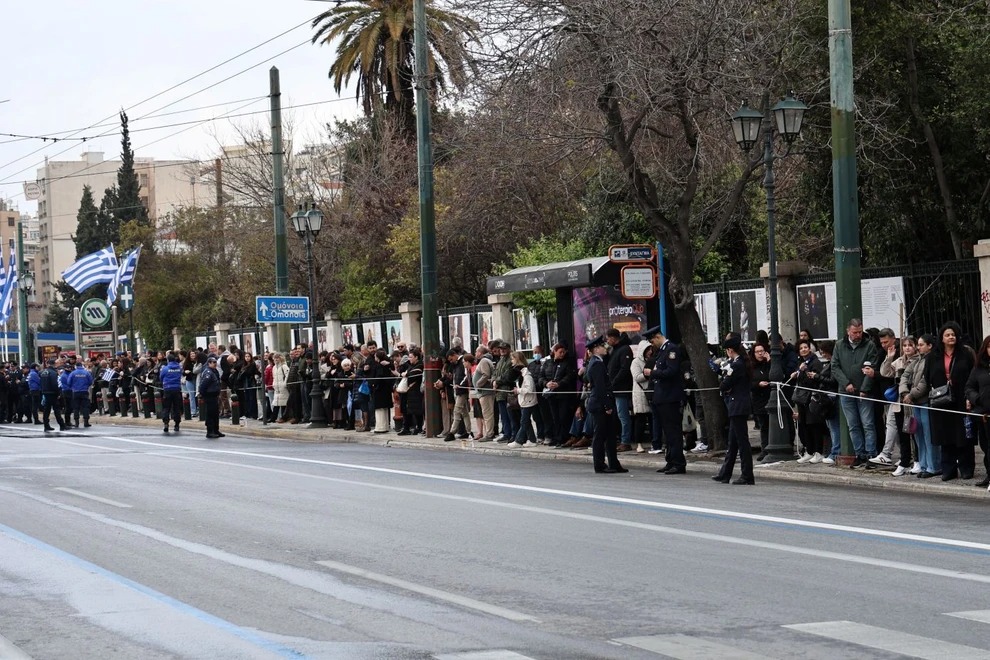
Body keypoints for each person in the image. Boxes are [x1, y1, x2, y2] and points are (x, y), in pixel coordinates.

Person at [925, 321, 976, 481]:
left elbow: (972, 374)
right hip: (942, 400)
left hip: (961, 398)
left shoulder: (965, 353)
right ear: (941, 338)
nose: (951, 337)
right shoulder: (933, 356)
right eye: (947, 335)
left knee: (964, 435)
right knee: (945, 435)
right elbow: (927, 376)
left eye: (953, 334)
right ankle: (948, 469)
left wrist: (969, 396)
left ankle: (966, 468)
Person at [831, 318, 880, 468]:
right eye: (855, 332)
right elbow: (835, 366)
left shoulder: (869, 345)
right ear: (848, 331)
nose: (858, 335)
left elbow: (872, 367)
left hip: (864, 392)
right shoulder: (839, 345)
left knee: (868, 424)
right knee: (853, 425)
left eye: (860, 332)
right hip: (846, 391)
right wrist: (846, 383)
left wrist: (864, 388)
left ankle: (871, 454)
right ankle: (860, 453)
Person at [712, 336, 755, 484]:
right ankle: (725, 473)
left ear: (730, 350)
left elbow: (725, 384)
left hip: (738, 405)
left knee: (742, 442)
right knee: (733, 442)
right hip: (737, 405)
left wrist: (723, 379)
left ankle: (747, 475)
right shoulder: (740, 362)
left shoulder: (737, 365)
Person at [645, 327, 687, 475]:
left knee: (673, 432)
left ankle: (678, 463)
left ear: (657, 337)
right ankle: (671, 461)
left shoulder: (671, 349)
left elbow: (671, 371)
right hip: (662, 397)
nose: (652, 345)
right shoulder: (663, 351)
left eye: (652, 341)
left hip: (670, 397)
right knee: (668, 433)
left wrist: (653, 373)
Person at [586, 335, 626, 473]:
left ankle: (614, 463)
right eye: (602, 346)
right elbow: (600, 388)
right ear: (596, 349)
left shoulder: (597, 362)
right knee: (600, 435)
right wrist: (607, 406)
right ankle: (599, 464)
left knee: (610, 435)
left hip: (601, 402)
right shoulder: (596, 364)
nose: (605, 348)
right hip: (599, 404)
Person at [791, 339, 827, 463]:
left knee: (814, 425)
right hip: (802, 399)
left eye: (805, 347)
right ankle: (809, 451)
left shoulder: (815, 362)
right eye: (801, 348)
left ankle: (818, 452)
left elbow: (814, 380)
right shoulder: (800, 362)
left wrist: (803, 371)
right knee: (804, 425)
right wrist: (797, 374)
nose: (803, 350)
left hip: (812, 398)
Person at [964, 335, 990, 489]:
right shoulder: (978, 368)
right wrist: (976, 398)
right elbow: (969, 387)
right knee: (985, 446)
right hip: (983, 413)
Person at [605, 329, 634, 453]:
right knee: (616, 416)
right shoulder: (615, 350)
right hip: (615, 389)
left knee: (623, 416)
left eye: (608, 338)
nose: (607, 341)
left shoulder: (624, 349)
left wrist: (614, 381)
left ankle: (625, 441)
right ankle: (619, 438)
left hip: (621, 388)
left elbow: (624, 369)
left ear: (613, 338)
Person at [509, 351, 539, 448]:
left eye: (513, 359)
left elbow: (529, 389)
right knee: (526, 421)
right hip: (523, 400)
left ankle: (518, 440)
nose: (511, 361)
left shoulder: (526, 375)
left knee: (524, 421)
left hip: (528, 401)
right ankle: (532, 439)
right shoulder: (520, 375)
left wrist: (518, 390)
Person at [751, 343, 772, 460]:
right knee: (763, 426)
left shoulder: (768, 364)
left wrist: (769, 361)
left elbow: (774, 375)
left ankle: (771, 448)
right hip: (759, 400)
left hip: (770, 397)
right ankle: (764, 449)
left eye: (762, 351)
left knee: (771, 424)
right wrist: (758, 384)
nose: (760, 353)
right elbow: (749, 383)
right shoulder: (751, 367)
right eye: (757, 351)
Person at [39, 359, 67, 432]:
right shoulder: (53, 373)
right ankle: (62, 425)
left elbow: (40, 382)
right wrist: (58, 393)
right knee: (56, 409)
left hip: (45, 392)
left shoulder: (42, 372)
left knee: (46, 410)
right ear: (54, 364)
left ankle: (46, 425)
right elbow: (55, 384)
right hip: (52, 393)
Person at [199, 355, 223, 438]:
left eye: (216, 362)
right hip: (209, 395)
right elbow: (203, 385)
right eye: (213, 362)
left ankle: (216, 430)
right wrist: (202, 394)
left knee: (215, 414)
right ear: (209, 363)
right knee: (210, 414)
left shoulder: (214, 371)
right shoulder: (208, 372)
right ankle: (210, 431)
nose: (215, 364)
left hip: (214, 395)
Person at [159, 352, 183, 433]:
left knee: (166, 407)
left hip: (167, 389)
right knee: (176, 407)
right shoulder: (179, 368)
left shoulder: (165, 368)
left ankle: (166, 423)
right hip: (177, 389)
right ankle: (177, 424)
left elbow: (161, 377)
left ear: (168, 360)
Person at [68, 361, 94, 428]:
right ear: (82, 366)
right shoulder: (86, 373)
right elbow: (90, 381)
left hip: (75, 392)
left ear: (76, 366)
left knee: (76, 407)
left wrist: (73, 387)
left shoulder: (73, 373)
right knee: (85, 407)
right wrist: (86, 386)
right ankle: (86, 422)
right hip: (84, 391)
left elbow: (69, 382)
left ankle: (76, 423)